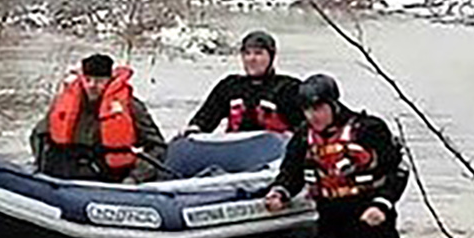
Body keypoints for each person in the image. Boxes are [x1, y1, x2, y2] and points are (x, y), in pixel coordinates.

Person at [264, 73, 406, 238]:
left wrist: (382, 204)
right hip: (329, 220)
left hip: (369, 216)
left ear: (333, 104)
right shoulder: (302, 137)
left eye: (318, 108)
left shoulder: (369, 130)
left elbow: (399, 169)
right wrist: (279, 193)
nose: (312, 116)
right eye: (307, 110)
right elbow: (291, 174)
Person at [30, 52, 167, 183]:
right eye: (88, 80)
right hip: (64, 176)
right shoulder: (64, 102)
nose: (92, 86)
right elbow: (38, 134)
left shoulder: (130, 107)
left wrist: (135, 178)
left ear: (109, 80)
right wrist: (41, 165)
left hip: (109, 179)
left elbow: (158, 148)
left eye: (99, 81)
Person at [182, 29, 304, 135]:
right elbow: (204, 120)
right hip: (237, 154)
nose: (252, 59)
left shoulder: (288, 89)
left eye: (258, 53)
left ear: (271, 57)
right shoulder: (230, 86)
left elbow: (305, 130)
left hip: (273, 155)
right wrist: (194, 130)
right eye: (247, 53)